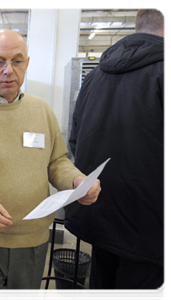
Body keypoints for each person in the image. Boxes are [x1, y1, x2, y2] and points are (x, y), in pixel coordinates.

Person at [0, 29, 101, 300]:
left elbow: (56, 161)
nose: (9, 70)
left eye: (17, 61)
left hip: (33, 241)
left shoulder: (41, 110)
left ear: (27, 63)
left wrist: (76, 181)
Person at [66, 8, 168, 300]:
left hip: (100, 214)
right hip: (150, 227)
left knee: (101, 290)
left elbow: (76, 139)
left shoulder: (97, 74)